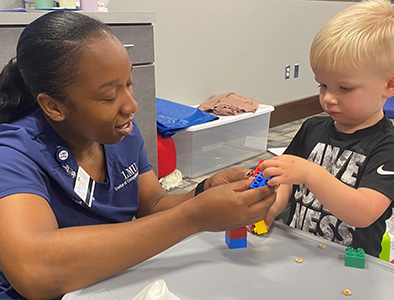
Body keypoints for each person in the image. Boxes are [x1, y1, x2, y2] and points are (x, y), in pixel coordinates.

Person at [0, 11, 275, 299]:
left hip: (107, 283)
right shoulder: (14, 155)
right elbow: (34, 271)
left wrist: (204, 192)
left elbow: (153, 204)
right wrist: (194, 217)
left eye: (129, 84)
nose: (131, 105)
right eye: (109, 97)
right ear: (54, 107)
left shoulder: (121, 135)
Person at [260, 0, 394, 258]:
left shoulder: (387, 147)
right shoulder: (312, 127)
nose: (328, 98)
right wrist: (272, 208)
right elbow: (287, 181)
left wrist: (311, 174)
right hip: (298, 249)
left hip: (349, 263)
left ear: (389, 86)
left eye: (344, 88)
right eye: (322, 85)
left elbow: (364, 212)